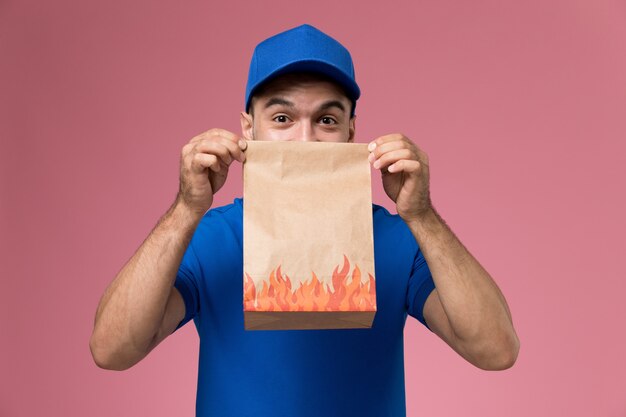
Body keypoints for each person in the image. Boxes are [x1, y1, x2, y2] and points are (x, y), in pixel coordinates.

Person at [90, 24, 519, 416]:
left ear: (352, 133)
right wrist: (185, 209)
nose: (305, 139)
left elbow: (495, 350)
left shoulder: (396, 239)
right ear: (249, 129)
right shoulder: (211, 237)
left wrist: (422, 216)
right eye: (282, 119)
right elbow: (112, 350)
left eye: (327, 120)